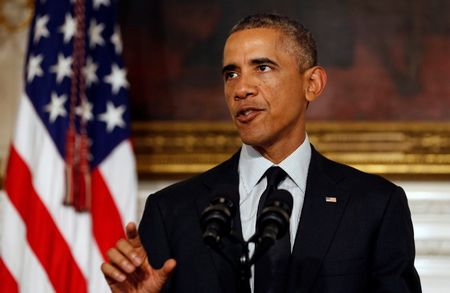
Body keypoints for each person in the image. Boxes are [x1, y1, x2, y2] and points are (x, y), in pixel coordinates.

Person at [101, 13, 422, 293]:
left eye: (263, 67)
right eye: (231, 74)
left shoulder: (374, 206)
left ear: (312, 84)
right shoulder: (171, 211)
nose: (241, 88)